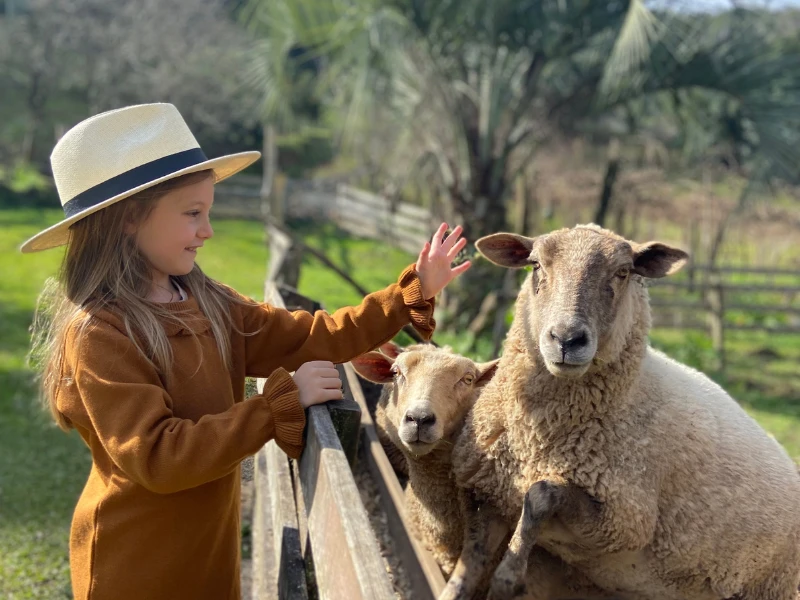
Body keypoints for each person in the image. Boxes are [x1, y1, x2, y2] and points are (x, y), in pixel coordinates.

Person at [23, 103, 471, 600]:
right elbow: (159, 456)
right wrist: (275, 406)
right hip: (136, 566)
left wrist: (404, 297)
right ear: (128, 219)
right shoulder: (100, 334)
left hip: (208, 551)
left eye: (207, 212)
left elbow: (308, 337)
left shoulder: (208, 302)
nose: (207, 230)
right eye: (192, 214)